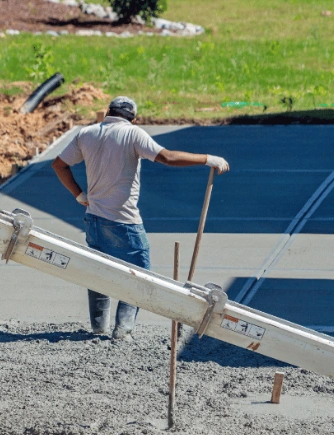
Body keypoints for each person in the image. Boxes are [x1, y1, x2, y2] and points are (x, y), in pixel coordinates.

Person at [51, 96, 230, 340]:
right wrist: (207, 158)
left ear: (108, 112)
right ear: (133, 118)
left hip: (93, 218)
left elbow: (59, 165)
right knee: (139, 275)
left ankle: (98, 327)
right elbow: (167, 157)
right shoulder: (133, 134)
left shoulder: (87, 133)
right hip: (124, 221)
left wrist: (80, 195)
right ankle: (122, 331)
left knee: (97, 272)